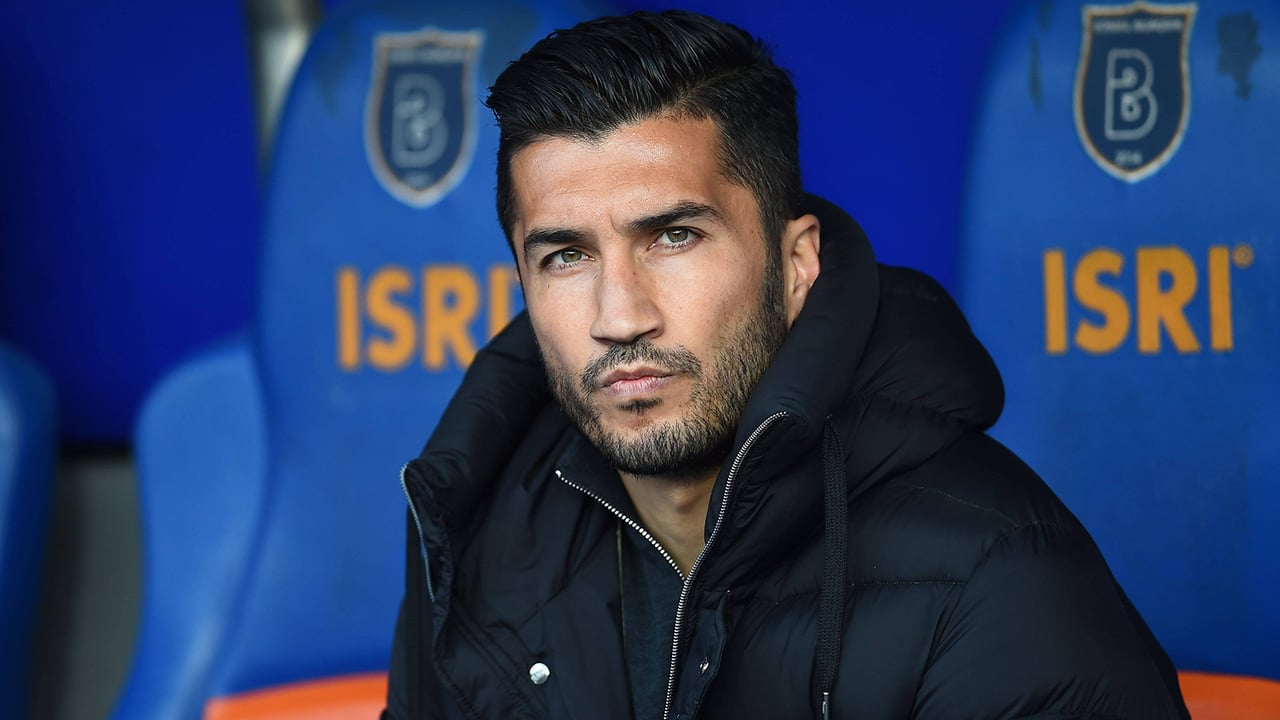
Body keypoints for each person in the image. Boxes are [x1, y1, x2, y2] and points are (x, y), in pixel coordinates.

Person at [383, 10, 1189, 719]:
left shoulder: (998, 577)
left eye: (674, 237)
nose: (619, 317)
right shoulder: (477, 542)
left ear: (797, 264)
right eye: (566, 255)